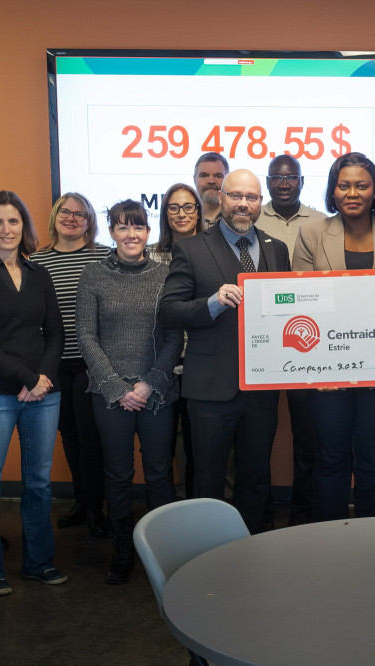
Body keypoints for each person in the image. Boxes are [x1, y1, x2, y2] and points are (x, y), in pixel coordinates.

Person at [160, 169, 290, 533]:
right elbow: (169, 311)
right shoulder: (191, 248)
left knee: (255, 478)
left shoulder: (277, 249)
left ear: (260, 203)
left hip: (261, 389)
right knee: (208, 482)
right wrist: (213, 303)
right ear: (220, 198)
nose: (243, 204)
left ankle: (247, 555)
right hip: (210, 388)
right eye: (236, 196)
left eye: (252, 197)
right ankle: (207, 554)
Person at [292, 152, 375, 521]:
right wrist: (318, 366)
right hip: (328, 372)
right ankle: (328, 541)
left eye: (361, 185)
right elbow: (301, 304)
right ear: (332, 191)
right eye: (344, 185)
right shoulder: (312, 233)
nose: (352, 192)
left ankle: (371, 541)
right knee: (330, 458)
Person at [0, 191, 66, 596]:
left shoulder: (39, 274)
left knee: (39, 484)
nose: (7, 229)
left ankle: (39, 563)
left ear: (25, 226)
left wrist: (43, 378)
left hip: (41, 392)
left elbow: (55, 333)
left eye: (14, 221)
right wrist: (25, 377)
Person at [77, 200, 182, 584]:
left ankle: (164, 549)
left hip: (157, 392)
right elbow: (86, 336)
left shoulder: (166, 275)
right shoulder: (93, 275)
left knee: (159, 474)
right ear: (112, 232)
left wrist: (149, 383)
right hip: (109, 394)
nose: (131, 235)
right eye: (123, 228)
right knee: (118, 474)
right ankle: (122, 549)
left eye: (138, 227)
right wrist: (118, 388)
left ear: (148, 232)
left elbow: (173, 336)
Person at [30, 194, 111, 537]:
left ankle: (96, 508)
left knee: (92, 438)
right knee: (70, 437)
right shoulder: (36, 261)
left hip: (92, 362)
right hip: (52, 364)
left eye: (81, 214)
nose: (72, 219)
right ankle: (81, 502)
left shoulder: (105, 256)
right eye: (66, 212)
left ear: (90, 221)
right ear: (55, 216)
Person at [255, 154, 322, 524]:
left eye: (291, 178)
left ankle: (304, 515)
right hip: (260, 340)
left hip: (305, 340)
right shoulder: (249, 218)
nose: (284, 184)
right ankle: (259, 514)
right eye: (277, 179)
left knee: (307, 435)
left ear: (301, 181)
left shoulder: (320, 222)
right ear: (267, 182)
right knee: (256, 437)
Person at [147, 183, 203, 500]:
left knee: (198, 448)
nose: (181, 214)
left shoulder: (212, 251)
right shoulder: (149, 254)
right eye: (173, 207)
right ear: (165, 213)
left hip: (200, 362)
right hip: (159, 364)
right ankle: (166, 521)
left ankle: (197, 512)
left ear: (199, 212)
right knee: (160, 450)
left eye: (188, 206)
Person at [193, 152, 229, 227]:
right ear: (194, 179)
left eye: (218, 176)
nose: (211, 181)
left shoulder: (238, 217)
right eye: (204, 176)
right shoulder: (183, 219)